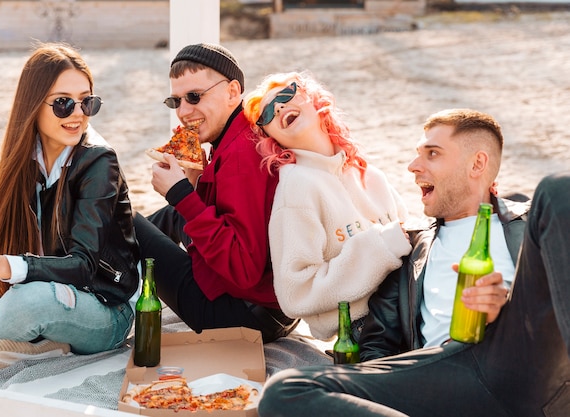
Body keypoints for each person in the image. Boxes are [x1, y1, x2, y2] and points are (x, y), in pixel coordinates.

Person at [255, 109, 570, 417]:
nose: (412, 166)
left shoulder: (535, 222)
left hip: (528, 362)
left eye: (432, 154)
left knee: (558, 189)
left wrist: (505, 312)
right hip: (444, 372)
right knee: (287, 389)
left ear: (477, 163)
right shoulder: (410, 246)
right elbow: (376, 347)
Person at [0, 42, 140, 370]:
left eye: (87, 102)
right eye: (64, 104)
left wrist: (4, 266)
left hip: (102, 306)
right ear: (33, 105)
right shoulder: (24, 157)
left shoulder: (98, 162)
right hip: (27, 289)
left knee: (29, 300)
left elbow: (83, 266)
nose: (78, 114)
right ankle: (19, 333)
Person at [132, 43, 299, 344]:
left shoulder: (242, 153)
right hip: (277, 311)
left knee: (126, 221)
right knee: (170, 217)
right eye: (176, 101)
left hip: (240, 318)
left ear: (233, 92)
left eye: (195, 97)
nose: (183, 111)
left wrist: (182, 194)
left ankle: (97, 286)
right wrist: (195, 182)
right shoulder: (243, 132)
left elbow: (244, 268)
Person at [242, 71, 412, 341]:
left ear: (316, 102)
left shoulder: (370, 175)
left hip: (412, 304)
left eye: (288, 94)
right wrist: (380, 247)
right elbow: (295, 294)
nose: (280, 107)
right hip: (366, 331)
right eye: (267, 115)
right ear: (271, 138)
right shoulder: (296, 187)